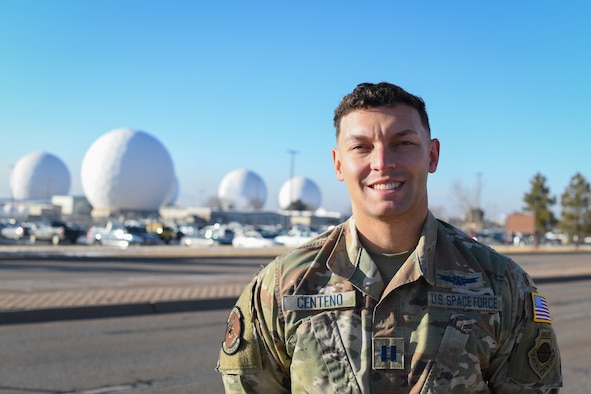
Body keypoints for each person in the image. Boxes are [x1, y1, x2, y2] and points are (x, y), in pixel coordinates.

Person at [216, 82, 562, 393]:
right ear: (338, 164)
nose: (382, 162)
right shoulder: (282, 287)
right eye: (362, 147)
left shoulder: (500, 284)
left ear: (432, 155)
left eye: (403, 143)